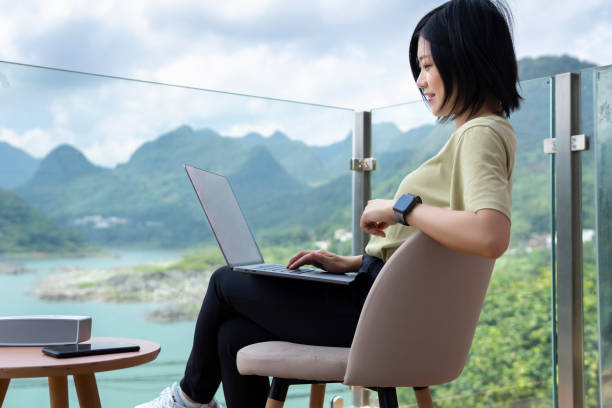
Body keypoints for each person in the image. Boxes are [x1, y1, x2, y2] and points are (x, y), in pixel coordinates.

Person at [135, 0, 521, 407]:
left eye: (427, 65)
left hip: (375, 316)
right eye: (419, 68)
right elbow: (434, 254)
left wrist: (399, 208)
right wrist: (349, 262)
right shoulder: (481, 133)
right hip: (380, 303)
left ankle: (188, 399)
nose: (421, 80)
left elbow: (489, 234)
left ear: (465, 56)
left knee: (225, 281)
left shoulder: (480, 133)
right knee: (232, 334)